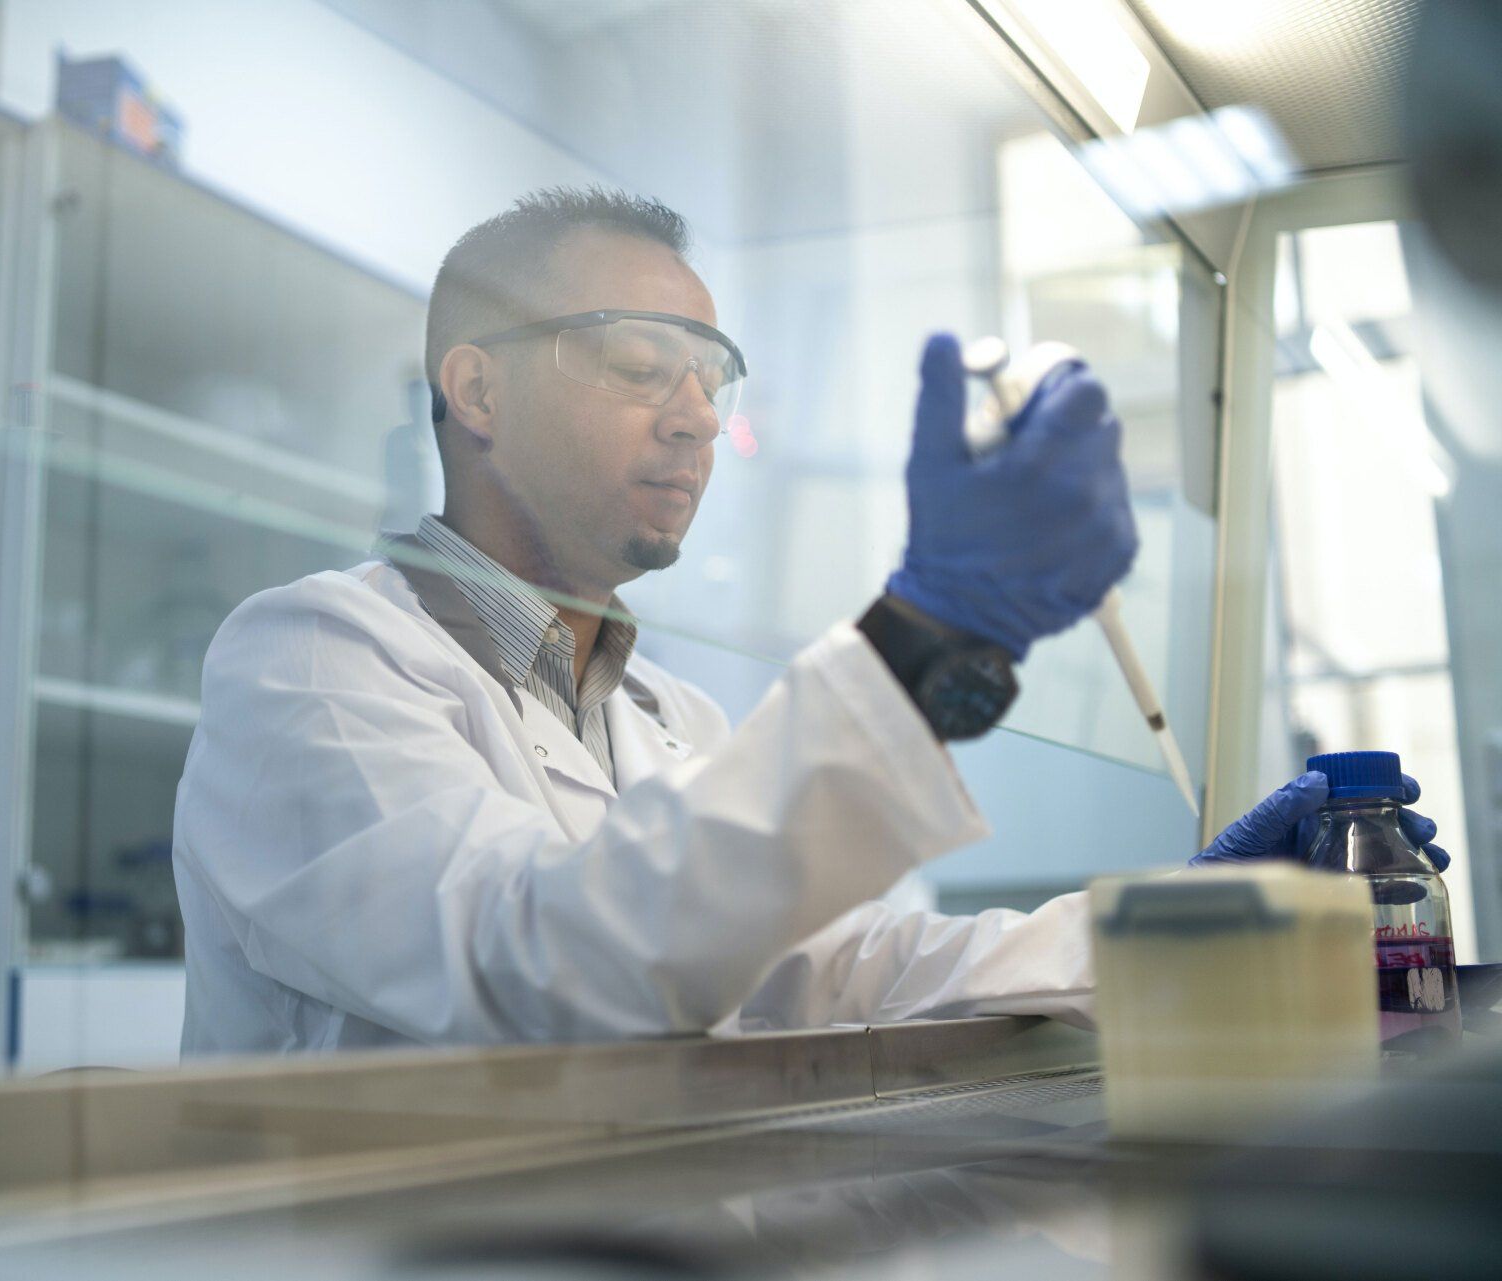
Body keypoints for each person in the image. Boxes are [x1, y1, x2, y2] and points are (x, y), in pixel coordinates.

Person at [172, 187, 1445, 1056]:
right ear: (477, 388)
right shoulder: (314, 661)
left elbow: (854, 971)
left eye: (711, 378)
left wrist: (1203, 926)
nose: (694, 418)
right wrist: (921, 642)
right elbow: (532, 965)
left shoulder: (671, 717)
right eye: (641, 366)